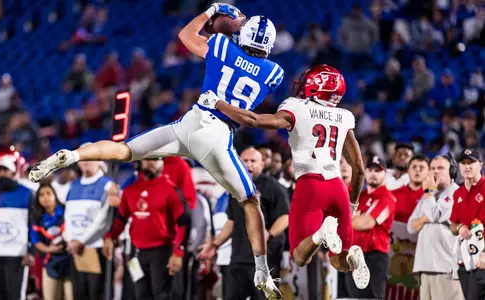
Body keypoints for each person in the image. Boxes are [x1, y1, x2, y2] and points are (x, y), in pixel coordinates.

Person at [30, 3, 284, 297]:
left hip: (191, 121)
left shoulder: (222, 47)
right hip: (218, 135)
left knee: (124, 151)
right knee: (250, 201)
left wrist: (212, 11)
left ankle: (72, 155)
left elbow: (186, 36)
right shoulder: (273, 72)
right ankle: (263, 271)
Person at [204, 64, 370, 289]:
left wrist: (218, 104)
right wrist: (352, 204)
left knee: (300, 257)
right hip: (338, 188)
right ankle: (352, 257)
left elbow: (255, 120)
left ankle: (322, 233)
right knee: (339, 260)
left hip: (310, 185)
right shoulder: (344, 116)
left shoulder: (297, 108)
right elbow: (358, 167)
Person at [199, 147, 289, 299]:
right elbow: (232, 221)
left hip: (265, 260)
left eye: (253, 161)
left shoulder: (274, 187)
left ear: (262, 164)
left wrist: (269, 233)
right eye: (245, 161)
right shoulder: (235, 188)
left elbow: (285, 217)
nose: (249, 165)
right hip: (238, 258)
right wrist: (215, 244)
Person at [103, 158, 189, 299]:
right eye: (147, 159)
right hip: (137, 253)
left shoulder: (171, 190)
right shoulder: (130, 191)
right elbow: (121, 220)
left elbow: (183, 223)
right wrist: (109, 237)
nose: (150, 163)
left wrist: (178, 252)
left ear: (162, 163)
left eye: (155, 159)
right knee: (141, 295)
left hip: (162, 252)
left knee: (162, 296)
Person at [407, 155, 464, 300]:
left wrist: (427, 196)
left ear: (451, 172)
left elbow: (432, 215)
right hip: (425, 267)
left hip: (446, 268)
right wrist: (428, 215)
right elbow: (411, 226)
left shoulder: (458, 194)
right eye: (432, 168)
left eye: (440, 168)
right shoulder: (428, 195)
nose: (435, 172)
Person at [64, 159, 119, 300]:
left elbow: (103, 221)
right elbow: (67, 216)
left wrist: (81, 241)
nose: (86, 162)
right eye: (83, 160)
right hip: (75, 250)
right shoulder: (73, 186)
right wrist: (71, 240)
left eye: (90, 159)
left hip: (97, 249)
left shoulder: (108, 185)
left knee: (98, 294)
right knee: (79, 293)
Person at [0, 154, 34, 300]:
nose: (1, 173)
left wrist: (30, 250)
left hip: (17, 254)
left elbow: (33, 223)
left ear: (13, 172)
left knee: (15, 296)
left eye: (4, 170)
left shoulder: (26, 193)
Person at [348, 156, 395, 299]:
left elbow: (367, 222)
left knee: (373, 297)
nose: (373, 173)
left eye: (378, 170)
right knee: (354, 297)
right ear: (365, 172)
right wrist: (353, 219)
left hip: (375, 256)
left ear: (385, 173)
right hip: (355, 256)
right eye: (370, 170)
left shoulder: (387, 198)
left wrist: (347, 220)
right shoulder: (359, 196)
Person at [449, 149, 485, 300]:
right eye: (463, 163)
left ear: (481, 165)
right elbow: (452, 225)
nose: (467, 166)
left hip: (482, 258)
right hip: (465, 259)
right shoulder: (458, 193)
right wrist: (459, 227)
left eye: (471, 163)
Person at [30, 184, 72, 300]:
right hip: (50, 264)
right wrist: (50, 249)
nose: (45, 197)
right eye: (42, 195)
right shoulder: (37, 217)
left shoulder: (66, 211)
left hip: (70, 262)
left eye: (48, 193)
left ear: (55, 195)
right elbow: (36, 241)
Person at [392, 154, 429, 223]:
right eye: (414, 167)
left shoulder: (433, 198)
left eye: (421, 167)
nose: (417, 170)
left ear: (428, 172)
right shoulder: (392, 195)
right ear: (408, 170)